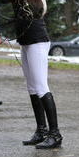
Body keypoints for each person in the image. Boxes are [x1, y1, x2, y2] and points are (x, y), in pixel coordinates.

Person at [17, 16, 62, 149]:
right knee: (32, 88)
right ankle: (41, 131)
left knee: (41, 87)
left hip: (37, 41)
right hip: (25, 42)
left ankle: (55, 134)